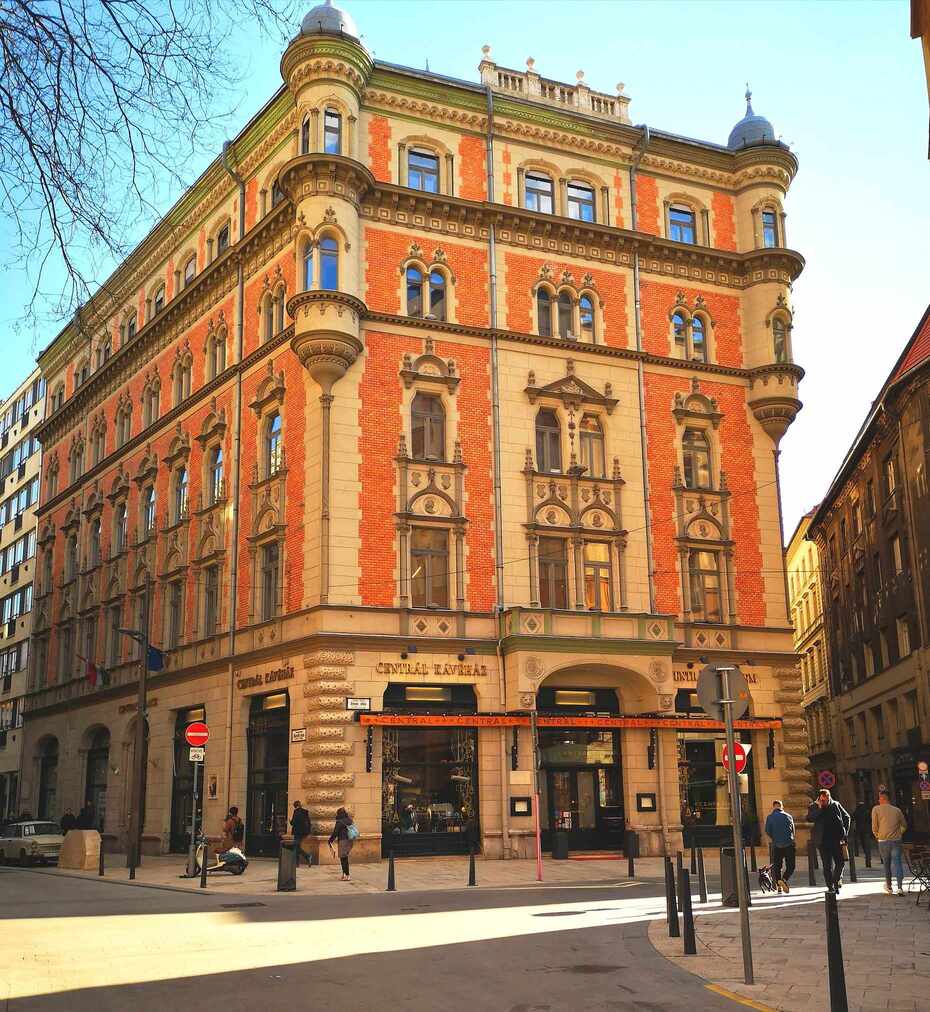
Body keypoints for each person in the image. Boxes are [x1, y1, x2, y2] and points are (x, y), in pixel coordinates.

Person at [807, 789, 851, 893]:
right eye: (822, 800)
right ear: (819, 799)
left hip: (836, 840)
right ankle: (830, 886)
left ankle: (835, 881)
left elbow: (847, 817)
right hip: (822, 841)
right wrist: (820, 808)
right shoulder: (814, 806)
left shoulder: (835, 805)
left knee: (840, 863)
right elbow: (809, 818)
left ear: (829, 797)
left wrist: (844, 832)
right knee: (827, 865)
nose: (824, 802)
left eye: (826, 800)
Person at [871, 789, 907, 896]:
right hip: (896, 840)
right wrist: (899, 833)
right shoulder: (897, 810)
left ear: (883, 798)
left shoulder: (876, 809)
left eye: (879, 797)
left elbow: (874, 826)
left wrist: (878, 836)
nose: (878, 799)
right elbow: (904, 825)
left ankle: (889, 886)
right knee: (898, 864)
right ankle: (900, 887)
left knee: (886, 864)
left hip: (883, 841)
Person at [764, 800, 796, 893]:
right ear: (781, 807)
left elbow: (767, 831)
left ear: (774, 807)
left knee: (777, 866)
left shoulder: (770, 817)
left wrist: (774, 838)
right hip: (789, 844)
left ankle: (779, 886)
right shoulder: (788, 816)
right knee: (791, 866)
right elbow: (793, 830)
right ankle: (784, 879)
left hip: (777, 845)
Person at [328, 807, 355, 881]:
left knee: (343, 859)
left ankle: (347, 875)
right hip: (350, 840)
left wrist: (330, 840)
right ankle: (344, 874)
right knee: (344, 857)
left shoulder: (339, 821)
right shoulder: (349, 820)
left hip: (343, 841)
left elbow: (335, 832)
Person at [290, 800, 313, 868]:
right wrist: (308, 832)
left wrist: (290, 821)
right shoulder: (305, 812)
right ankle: (297, 863)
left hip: (297, 832)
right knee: (297, 846)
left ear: (295, 806)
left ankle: (307, 856)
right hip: (304, 832)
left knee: (296, 847)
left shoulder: (296, 812)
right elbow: (309, 822)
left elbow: (293, 823)